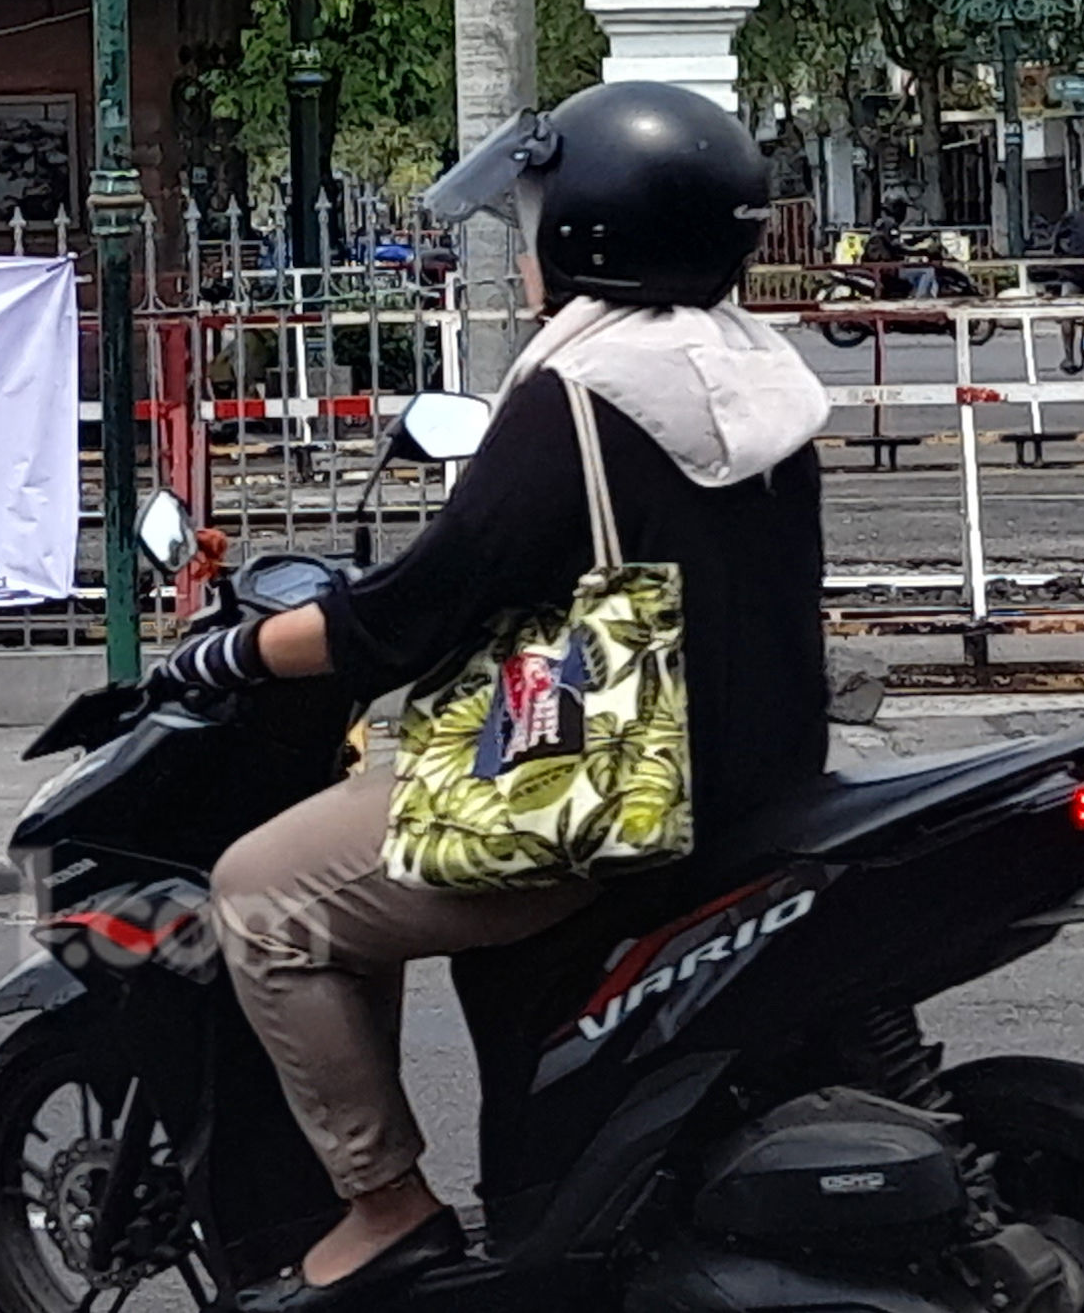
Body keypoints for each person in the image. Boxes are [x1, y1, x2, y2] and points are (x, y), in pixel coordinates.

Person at [169, 83, 831, 1310]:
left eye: (534, 212)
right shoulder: (758, 380)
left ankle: (385, 1206)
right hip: (751, 769)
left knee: (260, 893)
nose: (523, 240)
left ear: (585, 230)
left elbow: (418, 610)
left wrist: (239, 654)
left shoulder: (580, 396)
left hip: (597, 796)